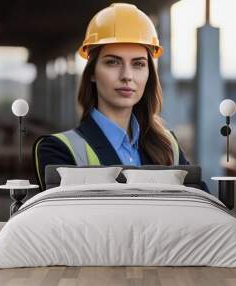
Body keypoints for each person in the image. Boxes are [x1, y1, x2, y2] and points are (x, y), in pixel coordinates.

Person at [35, 3, 205, 191]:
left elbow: (202, 207)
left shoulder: (168, 146)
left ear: (149, 73)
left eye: (138, 64)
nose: (127, 75)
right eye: (113, 62)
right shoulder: (59, 149)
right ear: (92, 73)